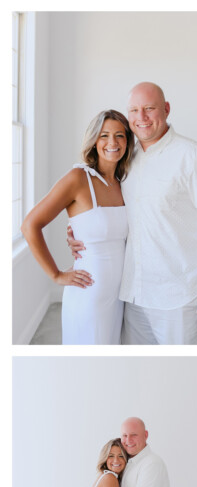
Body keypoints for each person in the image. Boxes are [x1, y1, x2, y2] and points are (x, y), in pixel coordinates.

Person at [70, 82, 197, 344]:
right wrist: (77, 231)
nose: (141, 118)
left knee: (185, 375)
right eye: (135, 110)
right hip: (132, 294)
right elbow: (104, 203)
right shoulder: (125, 159)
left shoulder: (194, 158)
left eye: (150, 109)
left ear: (167, 109)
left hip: (180, 297)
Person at [22, 110, 133, 344]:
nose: (112, 142)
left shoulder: (125, 182)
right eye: (104, 135)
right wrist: (56, 274)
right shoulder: (78, 178)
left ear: (128, 141)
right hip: (89, 294)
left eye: (120, 136)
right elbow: (30, 224)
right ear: (94, 140)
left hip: (120, 295)